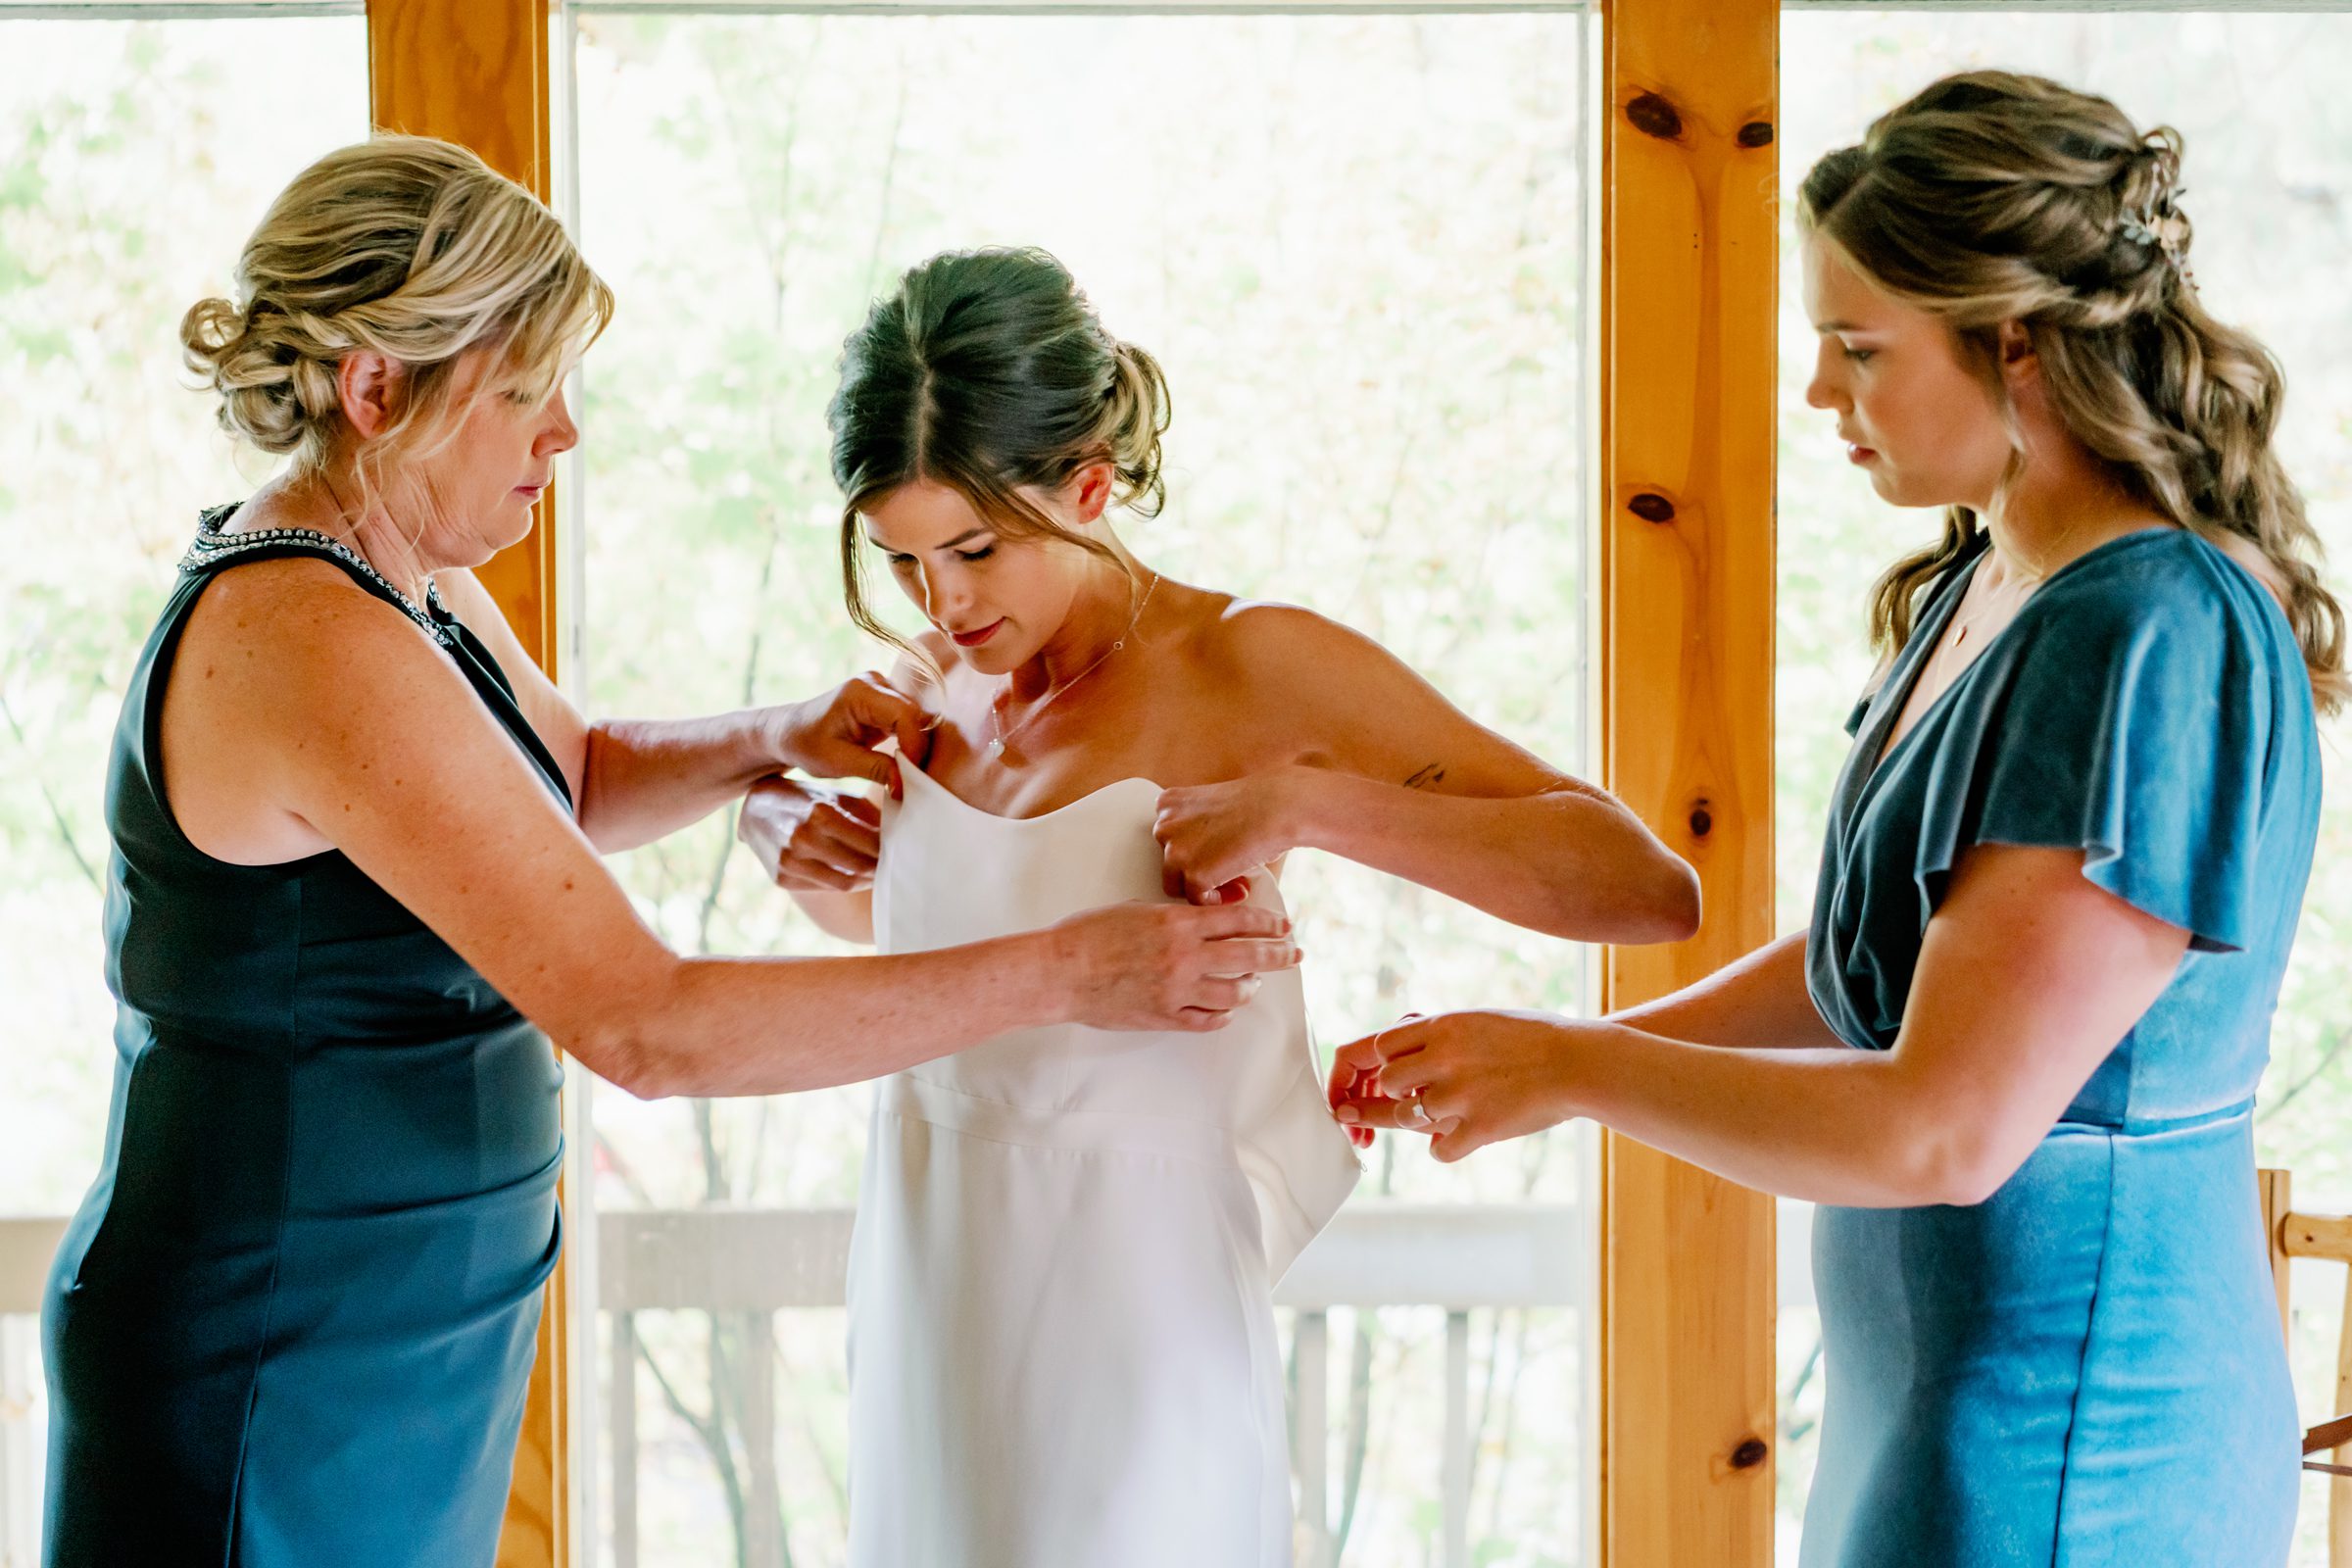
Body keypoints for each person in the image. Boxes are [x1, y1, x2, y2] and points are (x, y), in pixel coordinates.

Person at [41, 137, 1298, 1568]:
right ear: (379, 392)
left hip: (400, 1331)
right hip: (276, 1346)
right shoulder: (307, 636)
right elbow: (651, 1027)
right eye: (526, 392)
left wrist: (783, 732)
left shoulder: (408, 584)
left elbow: (565, 776)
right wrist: (1078, 967)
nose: (564, 434)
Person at [1329, 72, 2342, 1566]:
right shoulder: (1985, 588)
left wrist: (1574, 1069)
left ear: (2022, 345)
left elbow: (1943, 1126)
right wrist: (1547, 1053)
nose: (1820, 394)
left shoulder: (2147, 632)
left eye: (1860, 349)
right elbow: (1868, 967)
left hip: (2081, 1433)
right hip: (1933, 1404)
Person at [736, 244, 1701, 1568]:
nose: (945, 601)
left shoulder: (1252, 663)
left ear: (1088, 484)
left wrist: (1311, 808)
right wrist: (788, 836)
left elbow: (1641, 887)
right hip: (924, 1282)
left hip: (1135, 1319)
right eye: (902, 558)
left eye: (975, 547)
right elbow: (967, 973)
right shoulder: (928, 687)